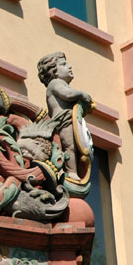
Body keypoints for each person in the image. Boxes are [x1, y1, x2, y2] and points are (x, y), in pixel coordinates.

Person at [37, 52, 93, 180]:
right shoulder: (55, 83)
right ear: (54, 71)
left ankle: (72, 170)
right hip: (63, 121)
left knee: (73, 146)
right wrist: (81, 94)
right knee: (69, 146)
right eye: (63, 64)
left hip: (69, 120)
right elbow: (67, 94)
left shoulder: (61, 83)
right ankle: (71, 172)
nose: (69, 66)